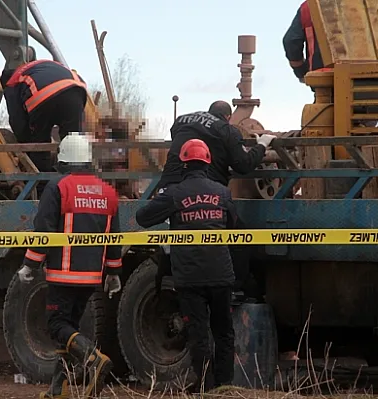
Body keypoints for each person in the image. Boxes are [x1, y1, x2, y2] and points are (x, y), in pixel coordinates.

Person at [15, 132, 123, 399]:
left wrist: (30, 263)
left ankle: (93, 359)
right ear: (87, 160)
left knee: (56, 326)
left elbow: (45, 230)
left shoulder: (58, 187)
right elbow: (115, 236)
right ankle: (58, 390)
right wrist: (114, 272)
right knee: (68, 329)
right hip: (91, 277)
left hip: (63, 274)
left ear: (62, 160)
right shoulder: (108, 192)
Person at [136, 139, 238, 392]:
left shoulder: (175, 193)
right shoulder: (222, 193)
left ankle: (205, 384)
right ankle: (225, 385)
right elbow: (234, 226)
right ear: (207, 162)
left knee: (198, 331)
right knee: (224, 330)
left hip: (190, 277)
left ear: (183, 163)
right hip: (221, 273)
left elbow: (142, 218)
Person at [154, 101, 276, 299]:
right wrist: (262, 144)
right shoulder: (227, 131)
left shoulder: (181, 121)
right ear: (228, 117)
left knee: (175, 236)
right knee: (239, 237)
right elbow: (243, 165)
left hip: (168, 190)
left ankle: (167, 281)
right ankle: (235, 287)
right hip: (203, 193)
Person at [1, 59, 88, 173]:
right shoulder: (40, 66)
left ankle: (42, 183)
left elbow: (18, 120)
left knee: (39, 142)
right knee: (73, 139)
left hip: (43, 95)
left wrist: (25, 145)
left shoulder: (12, 82)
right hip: (76, 89)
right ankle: (76, 178)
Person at [283, 0, 325, 83]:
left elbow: (291, 41)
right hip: (357, 76)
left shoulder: (309, 7)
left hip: (322, 80)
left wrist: (301, 72)